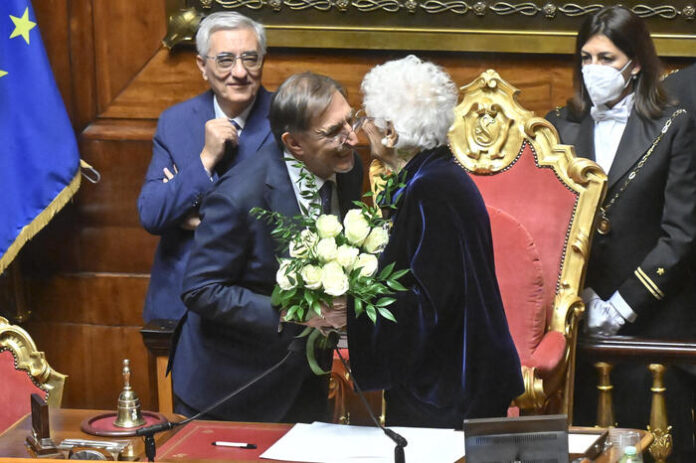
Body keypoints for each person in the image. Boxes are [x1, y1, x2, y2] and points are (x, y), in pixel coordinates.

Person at [316, 55, 524, 428]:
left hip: (449, 390)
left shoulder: (431, 189)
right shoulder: (433, 177)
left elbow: (427, 308)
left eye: (367, 120)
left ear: (392, 132)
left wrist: (347, 309)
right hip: (452, 378)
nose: (362, 131)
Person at [545, 7, 696, 461]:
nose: (594, 70)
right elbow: (550, 227)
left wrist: (622, 305)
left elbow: (681, 232)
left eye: (606, 59)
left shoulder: (672, 123)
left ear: (634, 62)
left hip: (652, 327)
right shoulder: (557, 125)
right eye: (586, 58)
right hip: (579, 324)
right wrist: (581, 297)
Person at [170, 72, 363, 422]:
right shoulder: (239, 196)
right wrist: (290, 313)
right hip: (232, 388)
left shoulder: (348, 167)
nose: (353, 137)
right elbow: (200, 289)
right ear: (294, 143)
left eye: (351, 120)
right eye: (335, 131)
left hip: (304, 380)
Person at [137, 12, 274, 323]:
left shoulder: (287, 121)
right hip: (180, 306)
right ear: (202, 65)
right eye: (225, 60)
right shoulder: (175, 122)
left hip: (258, 306)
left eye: (250, 59)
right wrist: (204, 160)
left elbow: (292, 215)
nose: (239, 72)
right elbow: (152, 213)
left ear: (263, 59)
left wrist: (197, 213)